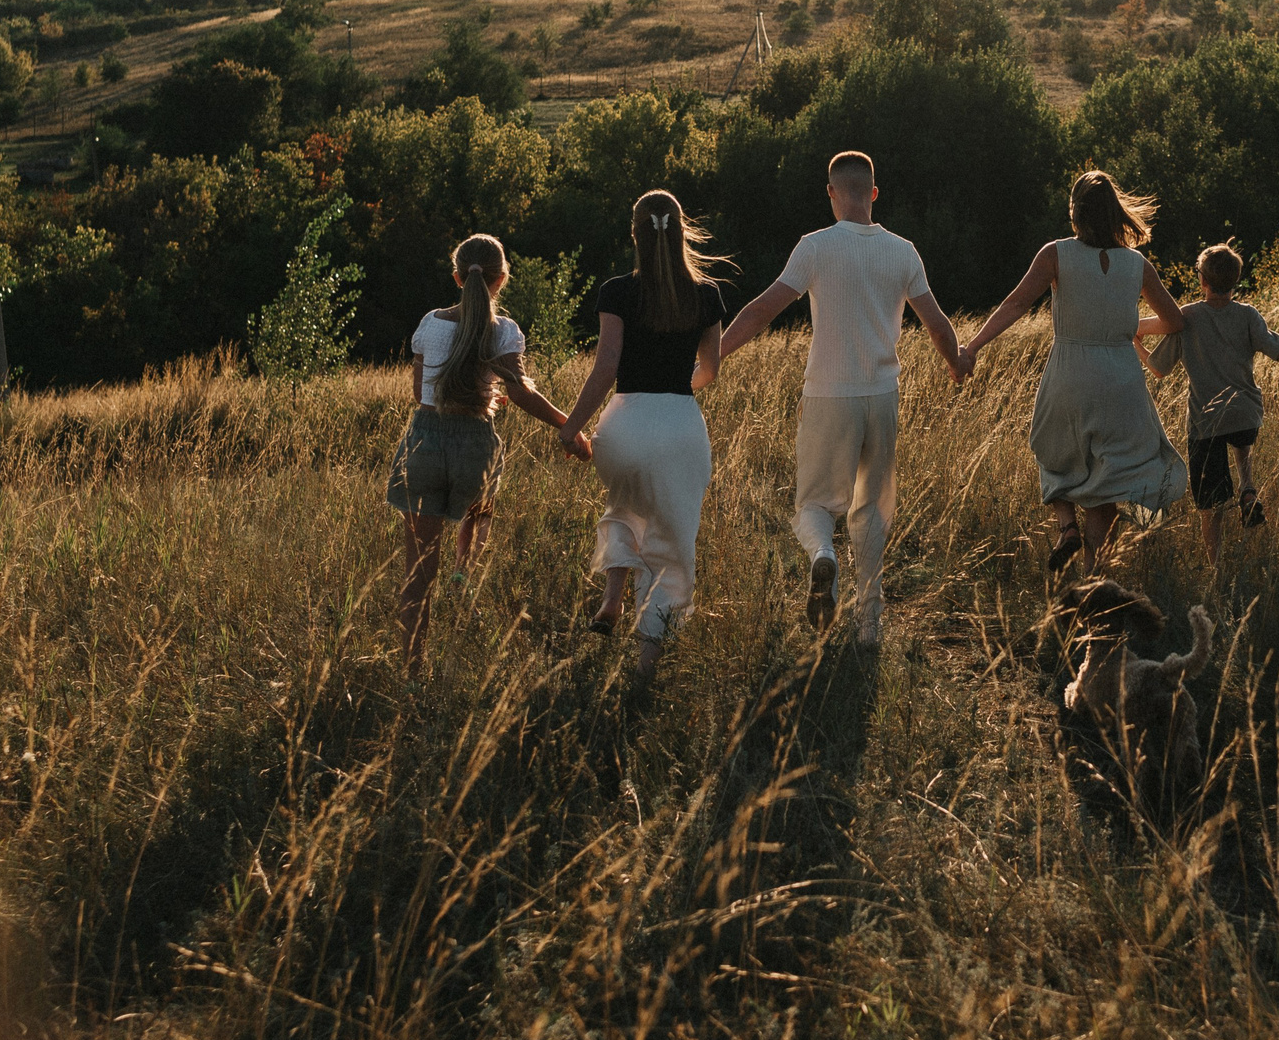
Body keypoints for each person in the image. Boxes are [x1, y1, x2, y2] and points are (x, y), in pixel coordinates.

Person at [718, 150, 963, 645]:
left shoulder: (814, 247)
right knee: (871, 510)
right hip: (882, 397)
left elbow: (762, 311)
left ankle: (822, 557)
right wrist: (959, 364)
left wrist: (712, 359)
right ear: (873, 193)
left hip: (829, 394)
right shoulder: (903, 251)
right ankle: (868, 627)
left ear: (831, 193)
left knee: (812, 504)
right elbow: (938, 327)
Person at [961, 169, 1188, 576]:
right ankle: (1094, 586)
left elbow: (1015, 305)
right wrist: (1133, 329)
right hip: (1122, 379)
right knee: (1105, 489)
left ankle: (1066, 527)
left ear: (1075, 212)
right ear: (1116, 212)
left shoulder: (1056, 254)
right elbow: (1174, 321)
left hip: (1071, 373)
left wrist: (972, 347)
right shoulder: (1137, 264)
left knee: (1051, 452)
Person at [387, 232, 588, 668]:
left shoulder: (431, 323)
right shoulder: (504, 332)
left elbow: (420, 392)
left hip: (424, 439)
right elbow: (521, 394)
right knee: (478, 516)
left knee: (418, 572)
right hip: (475, 445)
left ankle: (411, 671)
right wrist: (568, 426)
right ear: (502, 280)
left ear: (457, 277)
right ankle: (465, 575)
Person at [560, 189, 728, 680]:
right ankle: (644, 669)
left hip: (623, 427)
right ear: (682, 231)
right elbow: (710, 371)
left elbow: (606, 367)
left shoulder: (616, 291)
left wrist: (572, 426)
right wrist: (675, 388)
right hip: (679, 427)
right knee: (671, 547)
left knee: (624, 503)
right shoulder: (707, 295)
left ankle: (612, 599)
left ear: (634, 233)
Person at [1145, 242, 1279, 573]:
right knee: (1238, 431)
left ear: (1202, 282)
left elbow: (1159, 369)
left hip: (1206, 423)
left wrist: (1133, 341)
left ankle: (1216, 568)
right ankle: (1247, 487)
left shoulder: (1187, 316)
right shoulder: (1248, 314)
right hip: (1247, 415)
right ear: (1235, 282)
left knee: (1211, 504)